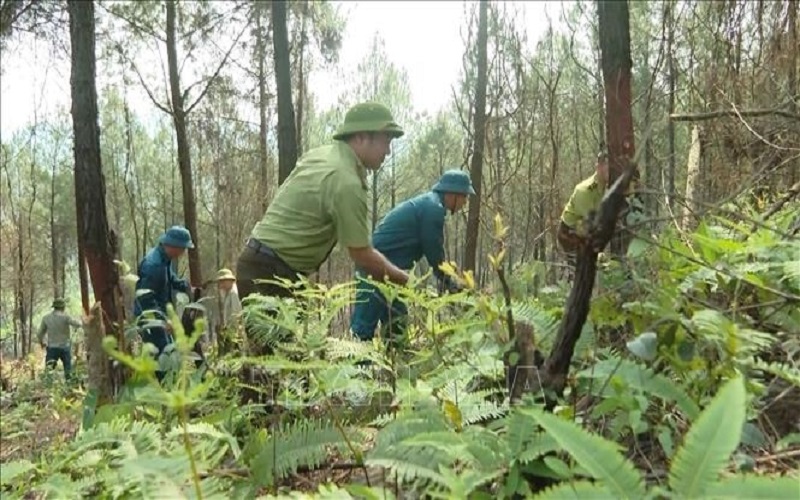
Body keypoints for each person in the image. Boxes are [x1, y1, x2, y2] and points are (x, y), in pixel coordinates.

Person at [236, 102, 410, 304]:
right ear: (362, 136)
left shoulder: (321, 155)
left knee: (297, 336)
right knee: (281, 337)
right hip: (270, 273)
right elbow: (362, 254)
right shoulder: (346, 181)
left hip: (267, 267)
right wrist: (407, 282)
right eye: (385, 141)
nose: (388, 151)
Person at [349, 169, 475, 344]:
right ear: (453, 194)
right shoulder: (433, 208)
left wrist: (449, 280)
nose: (465, 202)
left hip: (392, 271)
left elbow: (434, 251)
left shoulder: (431, 205)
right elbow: (434, 251)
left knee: (397, 323)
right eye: (464, 197)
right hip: (374, 266)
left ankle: (396, 368)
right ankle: (355, 369)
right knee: (363, 326)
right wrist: (450, 282)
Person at [134, 225, 196, 378]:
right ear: (174, 246)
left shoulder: (164, 260)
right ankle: (165, 393)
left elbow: (170, 280)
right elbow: (145, 298)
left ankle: (168, 388)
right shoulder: (153, 265)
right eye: (183, 248)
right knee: (164, 356)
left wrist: (185, 286)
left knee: (169, 353)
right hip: (150, 319)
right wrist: (163, 321)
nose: (183, 252)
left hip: (159, 316)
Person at [37, 298, 83, 380]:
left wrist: (42, 342)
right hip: (65, 347)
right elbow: (78, 324)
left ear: (54, 307)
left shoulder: (46, 318)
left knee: (49, 372)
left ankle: (48, 389)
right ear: (63, 307)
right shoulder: (66, 317)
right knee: (68, 371)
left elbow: (40, 333)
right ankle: (69, 388)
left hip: (52, 348)